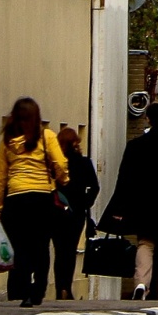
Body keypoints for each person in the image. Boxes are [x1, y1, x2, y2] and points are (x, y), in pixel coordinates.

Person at [97, 101, 158, 300]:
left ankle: (142, 283)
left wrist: (119, 207)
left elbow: (124, 178)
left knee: (145, 242)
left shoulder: (135, 146)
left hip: (142, 205)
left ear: (148, 119)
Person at [0, 97, 69, 307]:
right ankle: (39, 289)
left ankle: (23, 290)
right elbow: (60, 163)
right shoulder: (47, 136)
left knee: (20, 247)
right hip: (42, 198)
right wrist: (63, 179)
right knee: (41, 246)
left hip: (15, 200)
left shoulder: (7, 141)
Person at [52, 126, 99, 302]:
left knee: (59, 251)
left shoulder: (56, 163)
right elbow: (95, 187)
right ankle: (67, 287)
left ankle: (59, 289)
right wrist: (86, 203)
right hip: (77, 213)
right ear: (74, 143)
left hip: (56, 211)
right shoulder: (84, 163)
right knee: (70, 251)